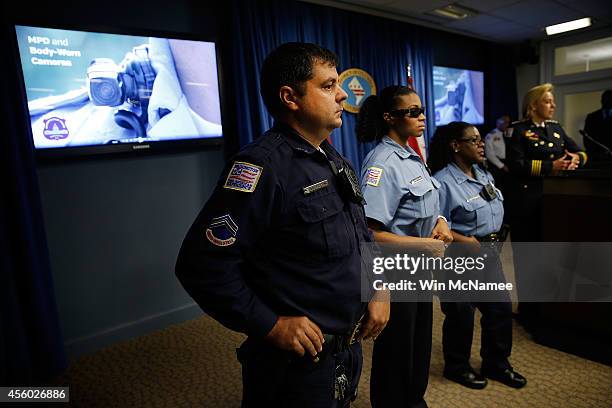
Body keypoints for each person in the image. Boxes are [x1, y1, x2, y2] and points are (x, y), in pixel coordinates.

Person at [175, 42, 389, 407]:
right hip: (296, 367)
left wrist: (378, 289)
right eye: (327, 86)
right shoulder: (261, 168)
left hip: (344, 352)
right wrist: (270, 324)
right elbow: (201, 266)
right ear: (290, 97)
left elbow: (359, 234)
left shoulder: (330, 156)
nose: (341, 95)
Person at [357, 86, 453, 408]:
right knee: (397, 354)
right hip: (396, 274)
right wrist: (424, 245)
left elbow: (423, 206)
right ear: (390, 117)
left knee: (418, 347)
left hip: (420, 270)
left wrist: (440, 221)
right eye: (412, 112)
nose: (421, 116)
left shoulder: (412, 155)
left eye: (421, 110)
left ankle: (414, 401)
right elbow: (369, 233)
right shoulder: (382, 162)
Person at [428, 121, 527, 390]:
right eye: (474, 140)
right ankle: (456, 366)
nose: (481, 144)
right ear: (456, 145)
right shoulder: (442, 183)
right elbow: (435, 226)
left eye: (481, 139)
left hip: (490, 253)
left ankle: (496, 363)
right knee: (461, 314)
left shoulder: (483, 174)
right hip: (459, 257)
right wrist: (464, 239)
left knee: (500, 308)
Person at [505, 83, 587, 327]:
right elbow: (516, 165)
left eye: (553, 102)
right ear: (533, 105)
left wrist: (574, 160)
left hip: (556, 201)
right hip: (528, 201)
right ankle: (528, 310)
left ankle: (548, 308)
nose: (553, 105)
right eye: (548, 101)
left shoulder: (556, 128)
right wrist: (553, 167)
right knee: (528, 257)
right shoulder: (517, 130)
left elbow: (580, 152)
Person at [584, 89, 612, 162]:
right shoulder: (591, 117)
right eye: (605, 99)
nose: (607, 101)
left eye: (609, 99)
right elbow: (587, 138)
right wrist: (595, 154)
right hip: (596, 158)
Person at [484, 115, 512, 181]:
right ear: (498, 122)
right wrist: (502, 166)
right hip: (497, 165)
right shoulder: (491, 135)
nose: (507, 125)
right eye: (505, 122)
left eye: (508, 122)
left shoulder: (510, 134)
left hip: (509, 163)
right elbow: (489, 154)